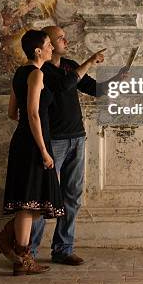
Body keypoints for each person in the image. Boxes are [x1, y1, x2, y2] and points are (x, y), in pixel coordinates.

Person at [30, 25, 110, 265]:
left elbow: (95, 90)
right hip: (53, 141)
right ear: (50, 45)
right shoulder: (42, 70)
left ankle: (63, 249)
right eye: (60, 38)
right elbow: (66, 84)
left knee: (72, 196)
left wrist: (119, 80)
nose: (66, 40)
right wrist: (89, 62)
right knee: (43, 198)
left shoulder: (69, 65)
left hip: (77, 138)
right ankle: (29, 253)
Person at [0, 29, 65, 275]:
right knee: (28, 204)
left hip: (24, 141)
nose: (51, 48)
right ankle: (23, 259)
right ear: (38, 50)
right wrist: (44, 150)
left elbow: (13, 113)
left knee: (32, 204)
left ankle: (9, 244)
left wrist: (29, 134)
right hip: (35, 145)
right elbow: (32, 113)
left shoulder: (19, 74)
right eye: (48, 45)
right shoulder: (36, 74)